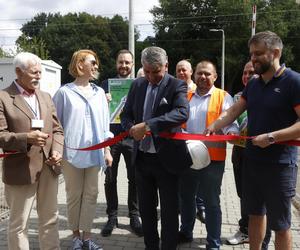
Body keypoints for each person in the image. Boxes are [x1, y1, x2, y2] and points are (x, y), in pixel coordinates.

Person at [205, 31, 300, 250]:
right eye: (251, 54)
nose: (253, 59)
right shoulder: (254, 84)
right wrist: (215, 125)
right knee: (255, 216)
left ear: (275, 52)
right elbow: (233, 111)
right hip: (253, 161)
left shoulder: (293, 81)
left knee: (281, 224)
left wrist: (272, 137)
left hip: (281, 166)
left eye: (258, 54)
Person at [121, 46, 192, 250]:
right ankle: (151, 246)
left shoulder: (177, 85)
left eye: (156, 71)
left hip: (167, 160)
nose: (151, 77)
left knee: (170, 212)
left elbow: (181, 113)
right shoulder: (137, 85)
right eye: (147, 71)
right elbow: (126, 116)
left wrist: (149, 125)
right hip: (142, 160)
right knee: (146, 210)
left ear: (166, 66)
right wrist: (132, 129)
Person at [0, 52, 64, 250]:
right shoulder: (3, 97)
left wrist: (57, 150)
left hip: (48, 167)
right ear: (18, 72)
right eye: (34, 72)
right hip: (20, 170)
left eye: (40, 72)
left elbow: (57, 129)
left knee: (50, 219)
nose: (39, 76)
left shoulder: (45, 97)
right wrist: (26, 138)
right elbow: (1, 135)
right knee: (19, 224)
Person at [53, 49, 113, 250]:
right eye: (92, 62)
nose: (96, 66)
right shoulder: (64, 93)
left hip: (95, 154)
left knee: (91, 195)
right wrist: (57, 150)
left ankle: (87, 237)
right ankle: (76, 237)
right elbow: (56, 124)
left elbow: (106, 125)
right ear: (80, 65)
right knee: (73, 195)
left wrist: (107, 151)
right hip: (72, 154)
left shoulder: (99, 94)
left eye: (96, 63)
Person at [177, 60, 238, 249]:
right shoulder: (184, 96)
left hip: (213, 160)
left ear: (215, 77)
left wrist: (231, 133)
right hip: (187, 159)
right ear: (194, 75)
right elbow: (177, 121)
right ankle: (186, 232)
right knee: (186, 199)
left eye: (207, 74)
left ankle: (213, 242)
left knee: (211, 202)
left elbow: (229, 120)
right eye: (199, 73)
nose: (203, 77)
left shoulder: (223, 96)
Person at [226, 61, 271, 249]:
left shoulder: (268, 96)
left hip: (264, 155)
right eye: (244, 73)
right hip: (240, 154)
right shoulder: (238, 97)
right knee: (244, 196)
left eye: (251, 72)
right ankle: (245, 229)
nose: (247, 76)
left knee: (262, 202)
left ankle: (264, 240)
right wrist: (231, 130)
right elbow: (232, 119)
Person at [100, 49, 143, 237]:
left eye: (127, 62)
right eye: (121, 62)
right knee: (110, 179)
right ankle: (112, 216)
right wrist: (103, 100)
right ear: (116, 63)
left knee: (135, 179)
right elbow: (97, 112)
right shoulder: (105, 85)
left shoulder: (140, 84)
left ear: (132, 64)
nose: (124, 65)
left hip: (132, 138)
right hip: (111, 140)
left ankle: (134, 216)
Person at [175, 59, 206, 224]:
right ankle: (185, 215)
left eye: (184, 70)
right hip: (182, 146)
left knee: (200, 183)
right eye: (178, 70)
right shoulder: (173, 89)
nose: (181, 73)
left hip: (202, 146)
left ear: (191, 72)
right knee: (184, 185)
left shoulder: (196, 90)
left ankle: (201, 208)